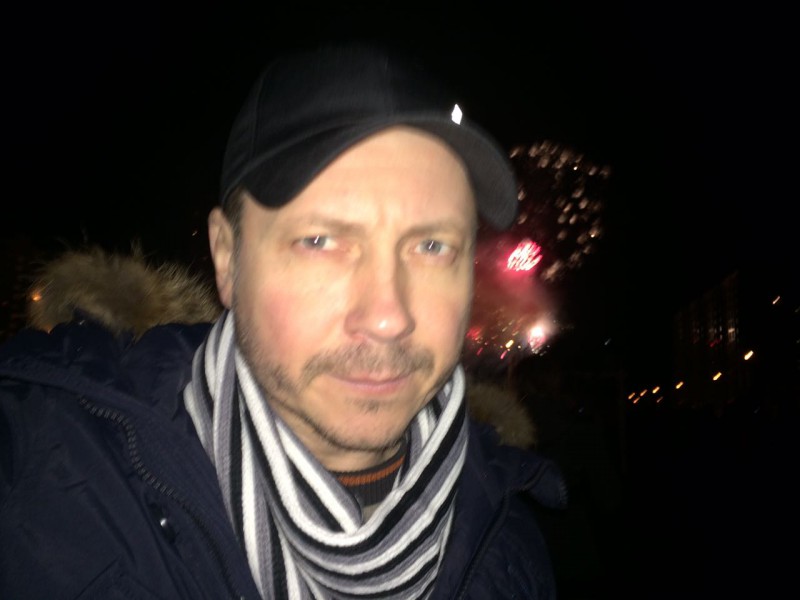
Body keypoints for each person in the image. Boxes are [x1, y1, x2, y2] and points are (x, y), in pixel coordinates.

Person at [0, 43, 566, 599]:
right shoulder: (41, 479)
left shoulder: (508, 533)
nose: (387, 317)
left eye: (432, 246)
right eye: (320, 241)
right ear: (227, 257)